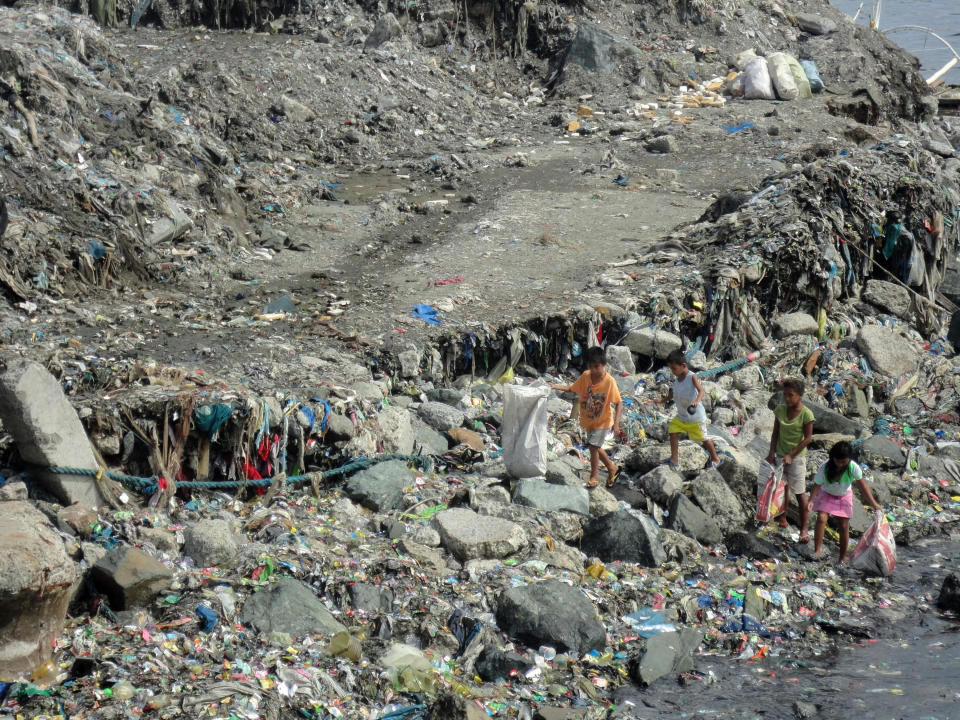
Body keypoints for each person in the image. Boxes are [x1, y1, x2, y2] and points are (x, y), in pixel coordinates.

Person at [550, 346, 623, 488]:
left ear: (604, 365)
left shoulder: (609, 382)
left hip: (604, 420)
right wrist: (555, 386)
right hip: (589, 420)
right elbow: (573, 388)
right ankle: (612, 467)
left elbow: (619, 404)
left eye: (597, 367)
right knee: (593, 446)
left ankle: (593, 476)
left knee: (594, 447)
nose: (594, 370)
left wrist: (617, 425)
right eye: (591, 367)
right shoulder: (585, 376)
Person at [808, 441, 881, 566]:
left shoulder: (853, 467)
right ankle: (817, 551)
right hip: (826, 494)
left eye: (844, 462)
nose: (841, 465)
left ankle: (842, 558)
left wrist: (874, 504)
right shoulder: (825, 467)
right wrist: (810, 500)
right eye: (838, 461)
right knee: (821, 518)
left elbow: (863, 486)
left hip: (844, 495)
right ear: (833, 458)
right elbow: (817, 485)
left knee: (843, 525)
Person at [766, 378, 815, 542]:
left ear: (800, 395)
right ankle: (782, 518)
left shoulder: (806, 414)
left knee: (800, 493)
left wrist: (791, 455)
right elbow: (775, 433)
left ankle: (804, 528)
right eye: (785, 395)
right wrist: (772, 453)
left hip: (797, 459)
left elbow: (808, 439)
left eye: (790, 395)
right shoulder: (780, 410)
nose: (787, 398)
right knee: (782, 488)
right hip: (780, 454)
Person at [664, 349, 722, 470]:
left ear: (683, 365)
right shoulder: (677, 378)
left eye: (674, 368)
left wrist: (696, 401)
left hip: (695, 417)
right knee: (672, 432)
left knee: (704, 439)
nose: (672, 371)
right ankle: (674, 459)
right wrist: (662, 400)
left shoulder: (691, 377)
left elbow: (701, 391)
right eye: (671, 368)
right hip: (682, 416)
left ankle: (716, 459)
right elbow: (673, 393)